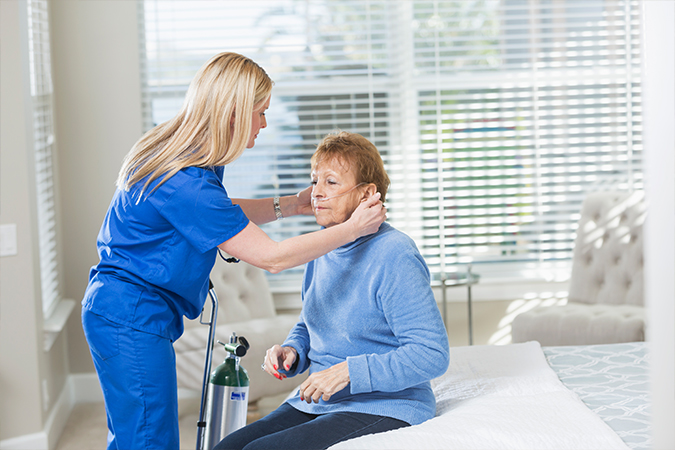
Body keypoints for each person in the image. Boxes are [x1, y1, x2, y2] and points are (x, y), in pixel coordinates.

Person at [80, 53, 386, 450]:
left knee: (132, 434)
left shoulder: (183, 153)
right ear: (233, 113)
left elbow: (218, 214)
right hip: (131, 315)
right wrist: (352, 228)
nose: (263, 123)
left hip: (122, 309)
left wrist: (292, 204)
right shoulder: (184, 178)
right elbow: (272, 257)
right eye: (260, 113)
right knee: (148, 440)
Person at [215, 131, 450, 450]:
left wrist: (349, 371)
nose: (316, 193)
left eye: (331, 182)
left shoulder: (395, 254)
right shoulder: (323, 245)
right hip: (318, 401)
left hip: (385, 404)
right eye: (315, 181)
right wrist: (293, 350)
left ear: (368, 194)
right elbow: (311, 319)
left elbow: (431, 354)